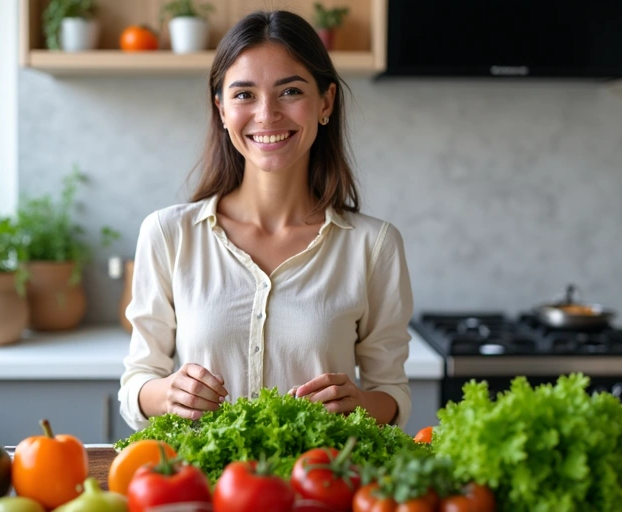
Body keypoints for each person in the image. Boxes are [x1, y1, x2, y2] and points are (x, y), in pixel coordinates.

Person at [118, 10, 413, 432]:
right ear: (220, 109)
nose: (266, 114)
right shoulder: (168, 235)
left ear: (325, 102)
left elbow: (393, 394)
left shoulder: (374, 245)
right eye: (244, 95)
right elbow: (136, 384)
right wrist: (167, 394)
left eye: (290, 91)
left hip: (319, 488)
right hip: (206, 492)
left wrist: (361, 403)